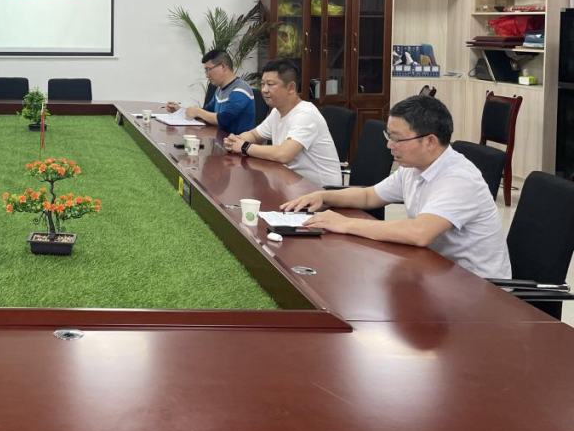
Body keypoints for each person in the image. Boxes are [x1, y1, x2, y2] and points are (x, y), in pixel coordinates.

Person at [281, 95, 511, 279]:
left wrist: (345, 223)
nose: (389, 145)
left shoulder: (459, 178)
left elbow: (419, 233)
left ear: (430, 141)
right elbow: (369, 196)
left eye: (397, 139)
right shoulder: (414, 167)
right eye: (388, 136)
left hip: (478, 289)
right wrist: (324, 196)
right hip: (436, 271)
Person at [223, 59, 341, 187]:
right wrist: (236, 140)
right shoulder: (277, 112)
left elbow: (284, 154)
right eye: (262, 84)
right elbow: (255, 135)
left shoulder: (306, 114)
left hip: (319, 190)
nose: (264, 90)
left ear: (291, 87)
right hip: (291, 182)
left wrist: (244, 146)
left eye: (270, 84)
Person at [166, 50, 255, 135]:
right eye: (206, 70)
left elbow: (224, 119)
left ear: (223, 67)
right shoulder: (219, 89)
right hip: (221, 139)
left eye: (209, 69)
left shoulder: (241, 89)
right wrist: (180, 110)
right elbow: (207, 111)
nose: (206, 75)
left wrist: (198, 112)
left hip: (237, 142)